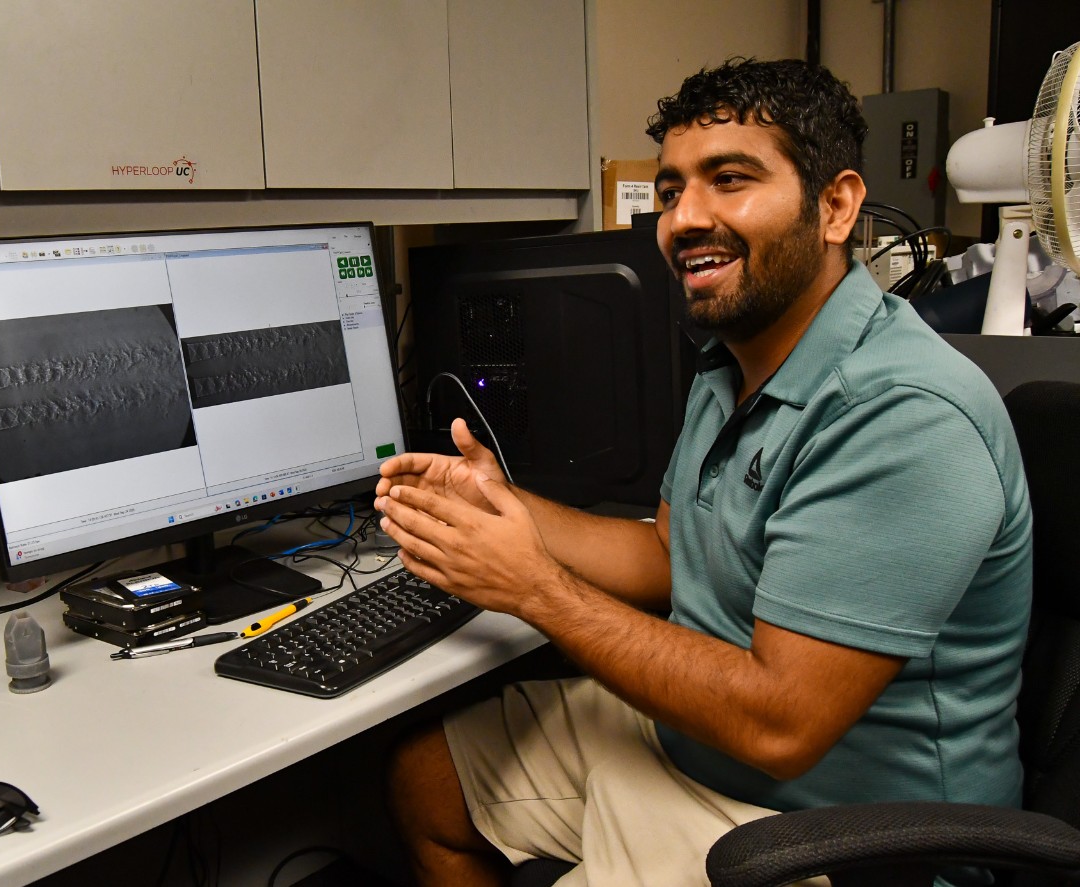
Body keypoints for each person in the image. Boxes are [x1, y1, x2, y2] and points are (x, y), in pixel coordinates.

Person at [373, 57, 1033, 886]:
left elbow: (780, 723)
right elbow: (671, 554)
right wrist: (508, 510)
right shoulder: (734, 362)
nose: (686, 217)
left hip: (842, 830)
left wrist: (532, 585)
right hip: (702, 743)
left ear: (835, 206)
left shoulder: (906, 412)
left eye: (730, 180)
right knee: (425, 774)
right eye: (672, 189)